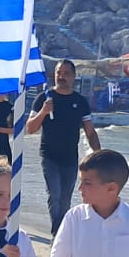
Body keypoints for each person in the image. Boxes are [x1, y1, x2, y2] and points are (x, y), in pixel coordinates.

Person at [26, 60, 101, 233]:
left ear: (74, 76)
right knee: (55, 195)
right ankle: (57, 233)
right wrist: (44, 112)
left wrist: (99, 155)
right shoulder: (44, 98)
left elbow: (90, 132)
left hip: (70, 158)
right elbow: (30, 128)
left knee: (65, 199)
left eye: (66, 73)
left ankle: (61, 233)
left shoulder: (80, 102)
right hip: (49, 156)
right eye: (59, 73)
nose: (62, 76)